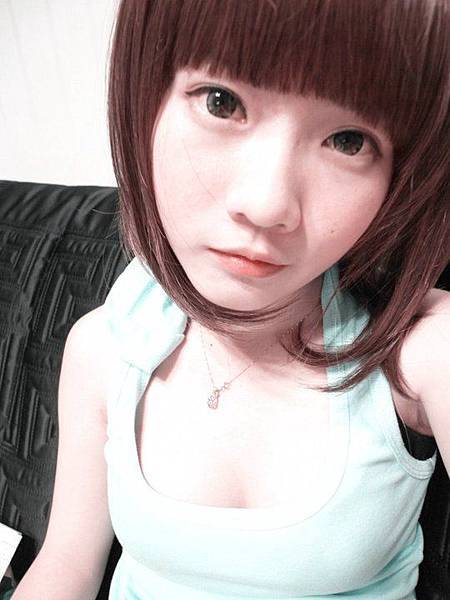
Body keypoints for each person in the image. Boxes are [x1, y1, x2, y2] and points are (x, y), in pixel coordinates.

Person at [12, 0, 449, 598]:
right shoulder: (106, 348)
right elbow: (67, 565)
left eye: (348, 141)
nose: (267, 204)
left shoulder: (419, 350)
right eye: (222, 102)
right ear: (146, 99)